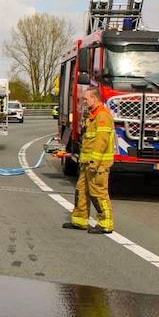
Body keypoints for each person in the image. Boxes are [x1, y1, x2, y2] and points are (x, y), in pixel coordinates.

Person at [64, 87, 115, 234]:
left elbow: (101, 142)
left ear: (95, 98)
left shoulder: (102, 116)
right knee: (81, 191)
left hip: (97, 165)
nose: (84, 102)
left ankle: (106, 223)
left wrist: (94, 162)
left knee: (98, 194)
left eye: (86, 99)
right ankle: (80, 220)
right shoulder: (93, 116)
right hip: (87, 164)